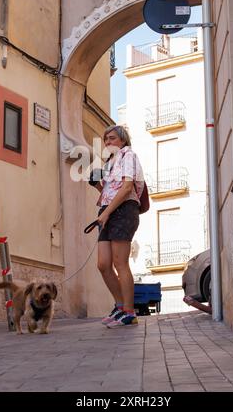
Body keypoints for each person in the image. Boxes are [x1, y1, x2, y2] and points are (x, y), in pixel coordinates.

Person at [90, 125, 144, 328]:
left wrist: (106, 212)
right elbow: (107, 191)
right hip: (108, 211)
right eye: (106, 140)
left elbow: (127, 187)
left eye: (112, 138)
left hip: (123, 210)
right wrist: (96, 183)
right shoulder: (109, 163)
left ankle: (129, 311)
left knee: (120, 263)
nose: (108, 143)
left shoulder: (128, 156)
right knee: (103, 264)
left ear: (123, 140)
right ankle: (120, 306)